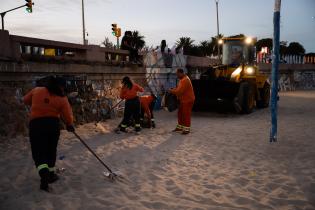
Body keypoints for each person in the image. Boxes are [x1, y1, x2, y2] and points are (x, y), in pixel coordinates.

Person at [23, 76, 75, 192]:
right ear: (60, 87)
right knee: (51, 150)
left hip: (36, 125)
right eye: (63, 87)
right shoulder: (62, 98)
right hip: (52, 126)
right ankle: (51, 174)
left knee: (39, 151)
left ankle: (44, 175)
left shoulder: (37, 90)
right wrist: (69, 124)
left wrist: (38, 103)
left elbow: (25, 100)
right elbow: (67, 116)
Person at [170, 69, 195, 135]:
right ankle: (180, 127)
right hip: (183, 100)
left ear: (181, 73)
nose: (177, 76)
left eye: (177, 74)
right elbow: (178, 89)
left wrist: (171, 91)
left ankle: (186, 129)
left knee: (186, 114)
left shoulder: (185, 80)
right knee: (180, 113)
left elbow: (179, 91)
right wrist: (173, 90)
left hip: (187, 100)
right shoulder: (183, 79)